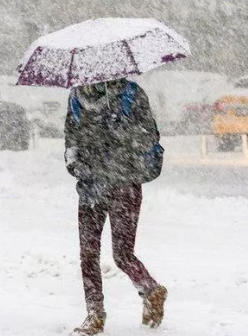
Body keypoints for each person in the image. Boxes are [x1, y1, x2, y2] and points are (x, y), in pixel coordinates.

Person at [64, 78, 167, 336]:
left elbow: (149, 135)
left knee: (122, 254)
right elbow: (71, 140)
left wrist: (120, 134)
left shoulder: (130, 94)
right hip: (91, 186)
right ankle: (94, 315)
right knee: (88, 254)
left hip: (125, 184)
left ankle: (151, 290)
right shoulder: (77, 96)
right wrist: (76, 165)